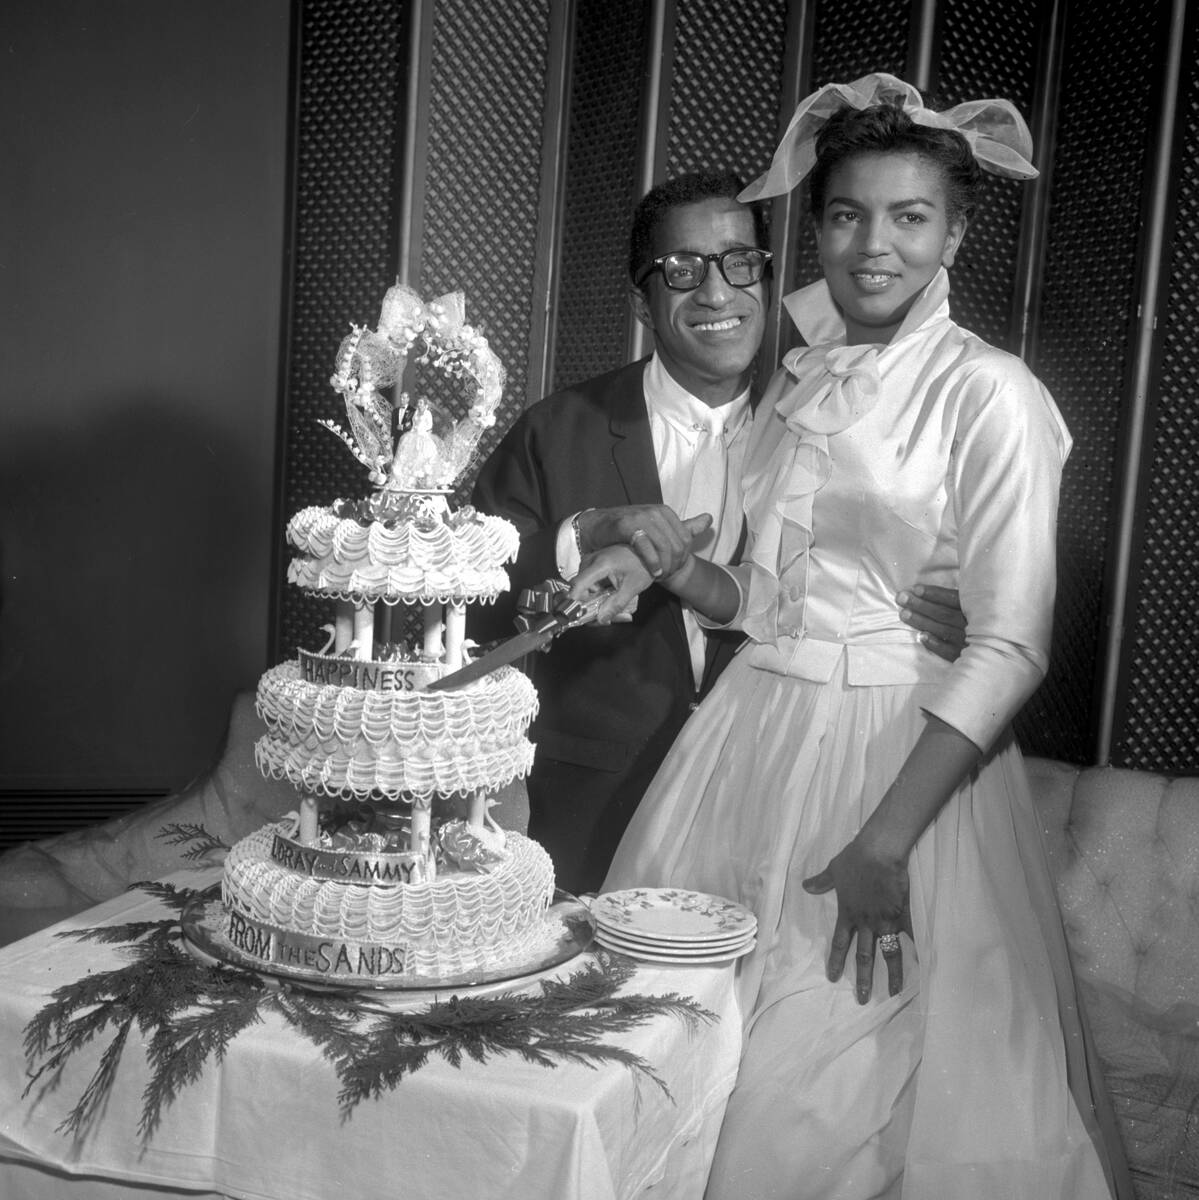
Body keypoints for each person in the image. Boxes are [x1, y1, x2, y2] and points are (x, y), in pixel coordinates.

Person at [573, 75, 1131, 1198]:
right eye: (844, 216)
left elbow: (1011, 644)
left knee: (820, 1110)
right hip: (744, 748)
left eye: (908, 217)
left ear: (954, 233)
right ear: (815, 229)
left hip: (896, 769)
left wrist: (883, 844)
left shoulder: (989, 394)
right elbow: (766, 604)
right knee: (678, 1072)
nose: (872, 246)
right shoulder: (795, 381)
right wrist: (674, 566)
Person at [472, 169, 965, 895]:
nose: (715, 293)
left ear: (765, 280)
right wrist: (581, 533)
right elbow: (469, 593)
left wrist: (954, 616)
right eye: (681, 271)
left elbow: (875, 579)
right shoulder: (558, 427)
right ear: (641, 300)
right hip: (596, 791)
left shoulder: (825, 426)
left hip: (776, 789)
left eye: (741, 265)